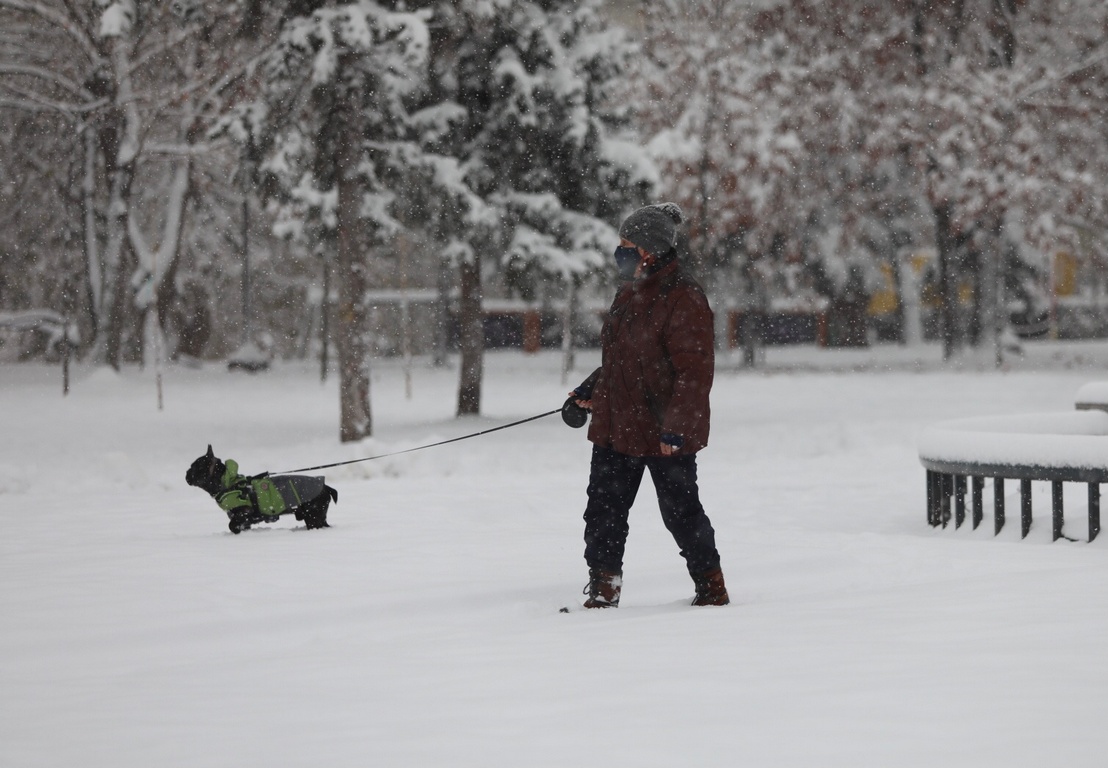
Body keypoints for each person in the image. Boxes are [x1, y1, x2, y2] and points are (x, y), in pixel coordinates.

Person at [569, 202, 729, 608]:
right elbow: (622, 356)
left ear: (650, 250)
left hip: (664, 431)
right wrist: (588, 391)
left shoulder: (684, 297)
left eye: (627, 244)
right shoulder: (628, 293)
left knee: (681, 514)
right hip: (617, 423)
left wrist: (676, 426)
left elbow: (694, 372)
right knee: (602, 513)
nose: (619, 251)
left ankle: (711, 587)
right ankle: (603, 591)